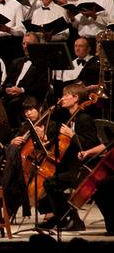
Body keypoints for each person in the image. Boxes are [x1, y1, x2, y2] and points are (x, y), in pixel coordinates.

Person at [39, 84, 99, 231]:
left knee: (50, 183)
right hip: (68, 166)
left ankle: (69, 219)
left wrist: (72, 135)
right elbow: (62, 142)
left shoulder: (84, 118)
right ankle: (62, 219)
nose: (62, 98)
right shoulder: (70, 117)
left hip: (81, 168)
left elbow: (91, 144)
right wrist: (46, 141)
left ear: (76, 98)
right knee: (45, 180)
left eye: (66, 95)